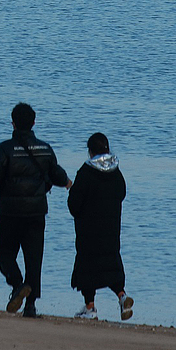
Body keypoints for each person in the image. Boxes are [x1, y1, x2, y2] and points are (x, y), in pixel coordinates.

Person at [0, 102, 71, 316]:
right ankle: (30, 306)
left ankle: (17, 283)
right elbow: (57, 175)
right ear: (33, 123)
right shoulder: (45, 148)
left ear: (12, 123)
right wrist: (68, 183)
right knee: (34, 257)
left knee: (1, 248)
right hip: (36, 211)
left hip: (9, 211)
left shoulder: (4, 149)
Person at [67, 133, 133, 321]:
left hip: (88, 230)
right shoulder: (116, 172)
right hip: (111, 228)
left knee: (88, 268)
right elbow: (122, 193)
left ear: (90, 151)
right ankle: (122, 296)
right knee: (112, 264)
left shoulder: (86, 173)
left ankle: (90, 308)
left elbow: (74, 205)